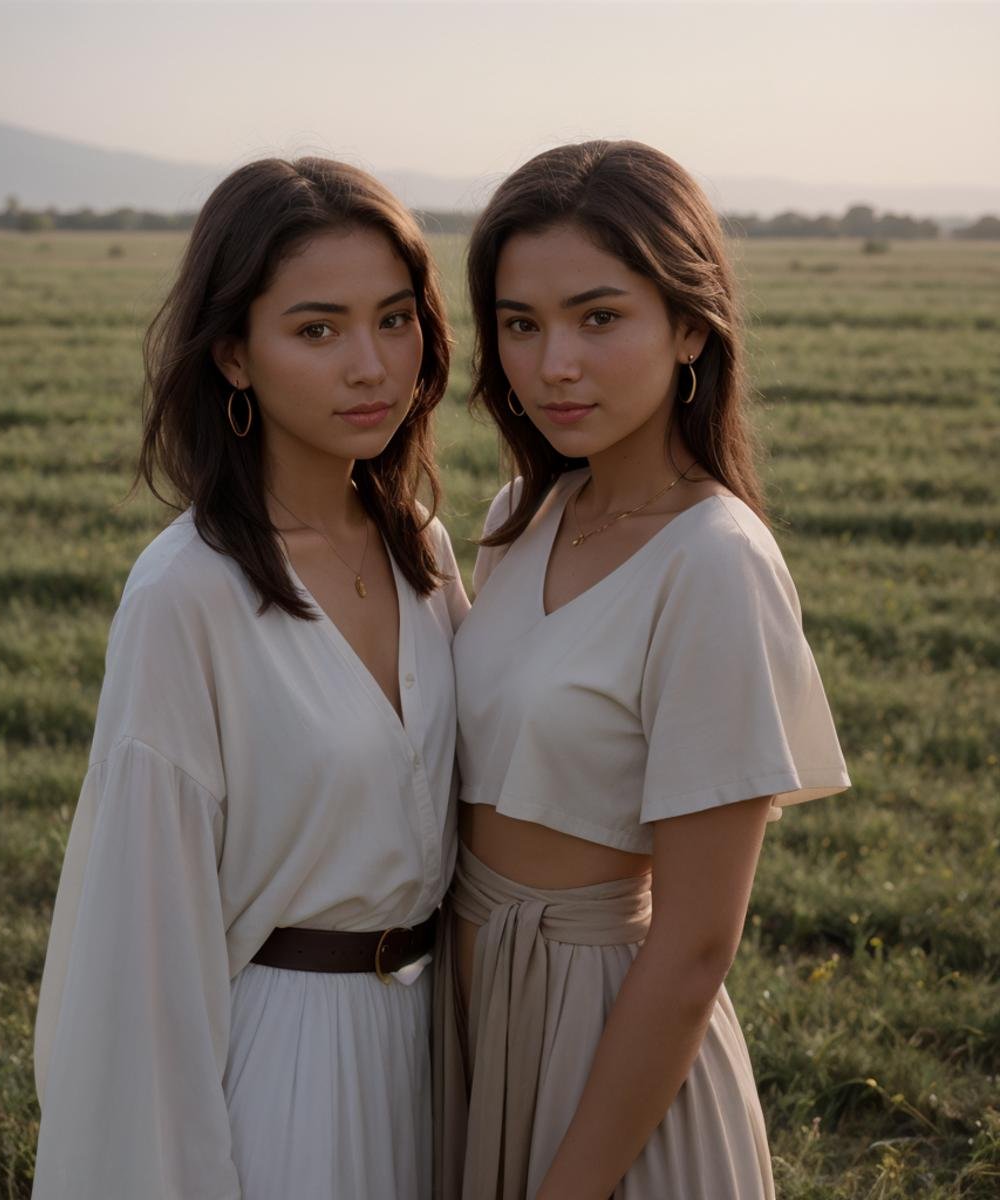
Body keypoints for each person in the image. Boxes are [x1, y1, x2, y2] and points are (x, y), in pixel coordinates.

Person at [32, 157, 469, 1200]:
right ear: (234, 354)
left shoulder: (425, 550)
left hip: (439, 1047)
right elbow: (145, 950)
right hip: (289, 1071)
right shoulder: (188, 593)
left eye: (395, 318)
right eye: (316, 330)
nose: (370, 364)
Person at [434, 140, 850, 1200]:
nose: (552, 363)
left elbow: (696, 947)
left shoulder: (715, 562)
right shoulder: (520, 518)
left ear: (691, 325)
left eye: (599, 316)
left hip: (608, 1035)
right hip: (472, 1012)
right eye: (520, 325)